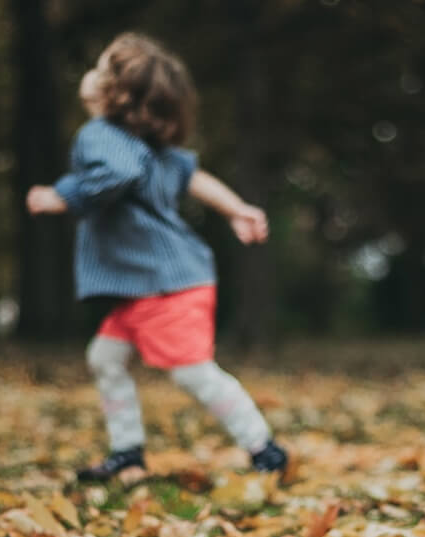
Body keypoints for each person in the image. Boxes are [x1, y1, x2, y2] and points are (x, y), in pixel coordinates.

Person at [26, 32, 287, 481]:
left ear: (117, 93)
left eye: (102, 66)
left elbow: (120, 173)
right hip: (145, 286)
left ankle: (264, 448)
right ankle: (127, 452)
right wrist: (237, 209)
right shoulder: (147, 146)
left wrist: (63, 195)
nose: (91, 72)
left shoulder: (102, 137)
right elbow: (195, 177)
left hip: (166, 287)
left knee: (193, 374)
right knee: (105, 359)